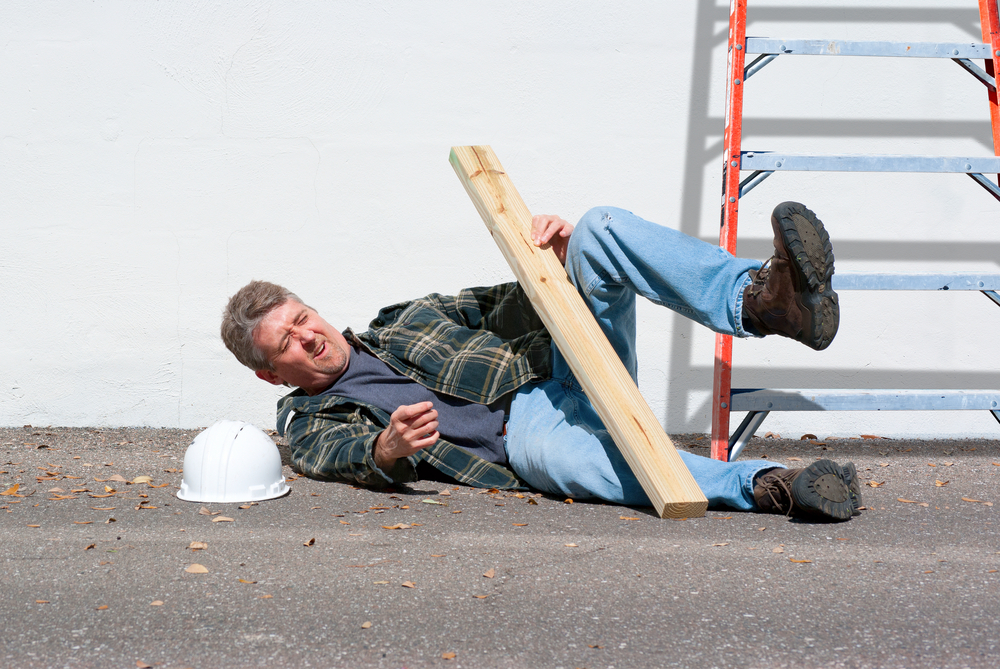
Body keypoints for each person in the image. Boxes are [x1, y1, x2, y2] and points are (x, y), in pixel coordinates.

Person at [222, 203, 861, 521]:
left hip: (565, 367)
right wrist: (385, 452)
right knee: (562, 460)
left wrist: (554, 264)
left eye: (302, 318)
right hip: (525, 435)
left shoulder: (403, 319)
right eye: (286, 344)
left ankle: (764, 303)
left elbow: (512, 301)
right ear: (270, 373)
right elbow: (332, 455)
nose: (307, 337)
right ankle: (767, 485)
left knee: (597, 228)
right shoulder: (307, 415)